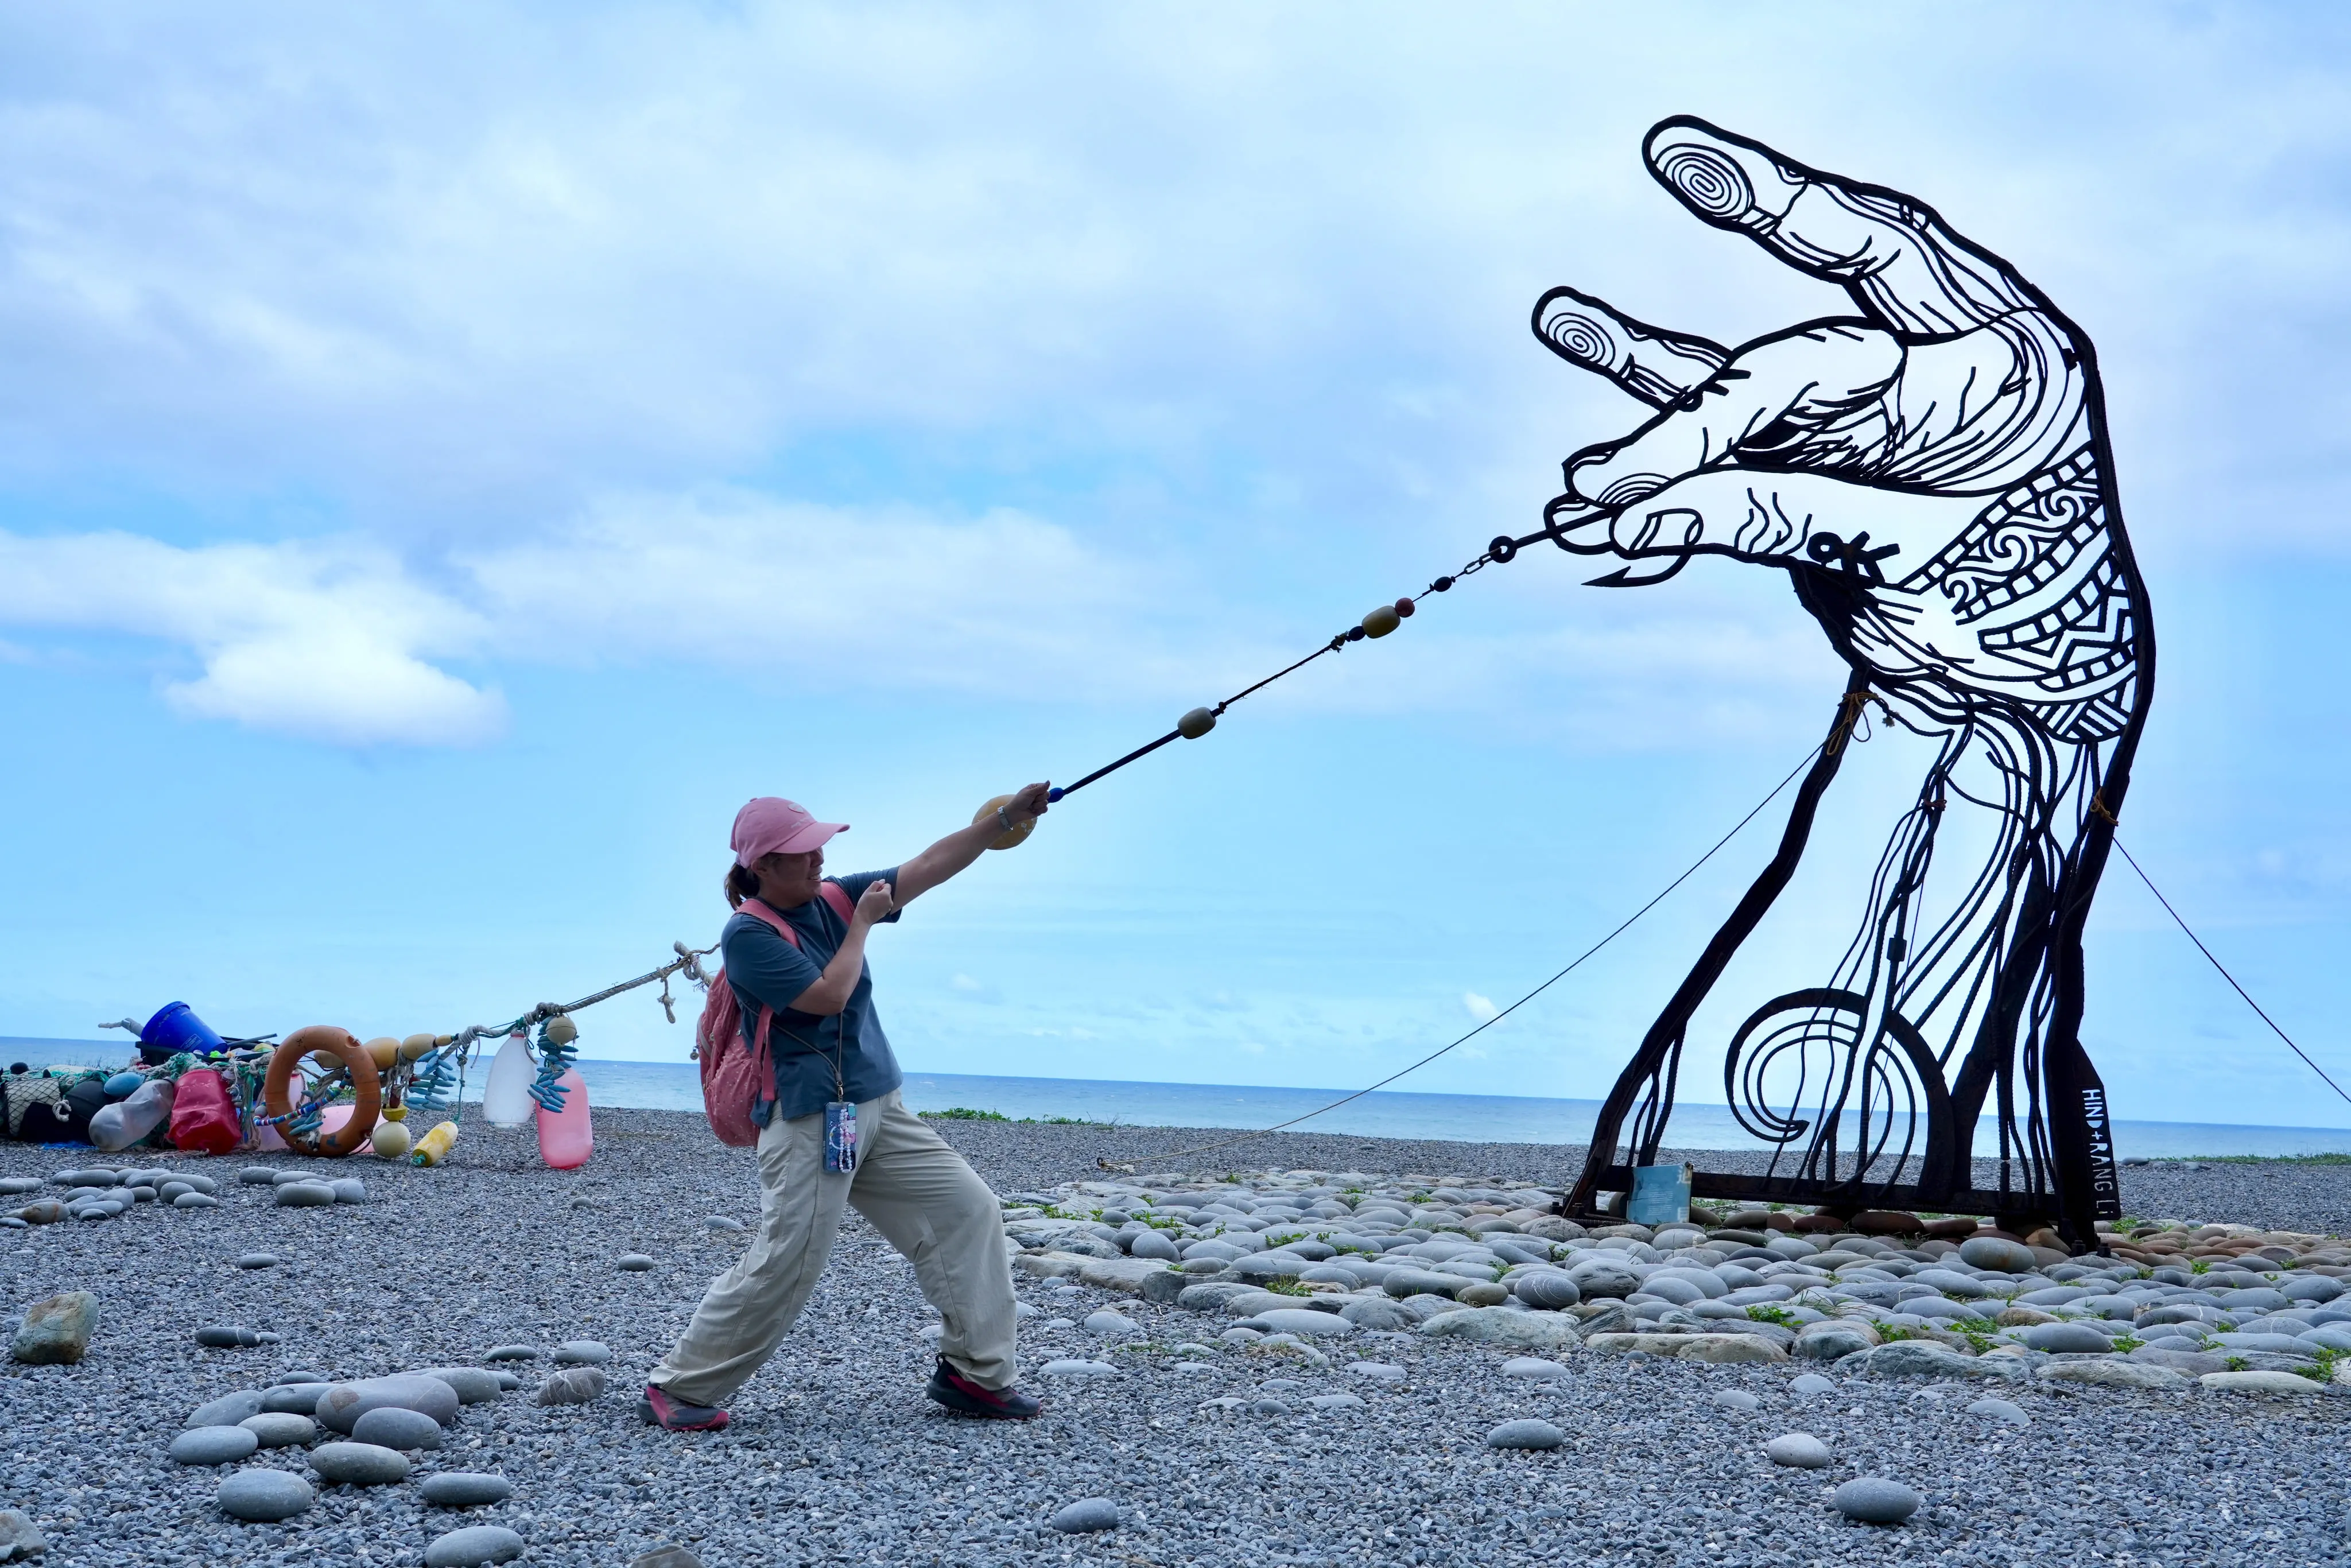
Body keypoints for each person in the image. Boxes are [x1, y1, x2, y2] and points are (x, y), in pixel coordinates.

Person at [640, 787, 1053, 1431]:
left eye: (820, 847)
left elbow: (930, 864)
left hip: (878, 1105)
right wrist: (862, 923)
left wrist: (1004, 819)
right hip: (809, 1118)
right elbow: (828, 996)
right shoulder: (748, 935)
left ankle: (976, 1373)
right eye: (802, 853)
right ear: (763, 867)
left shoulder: (831, 895)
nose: (818, 860)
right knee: (791, 1256)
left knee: (968, 1209)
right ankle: (681, 1383)